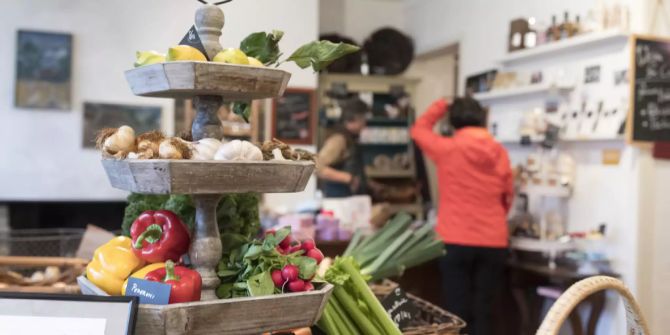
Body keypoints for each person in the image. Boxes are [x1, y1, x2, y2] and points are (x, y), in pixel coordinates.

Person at [410, 97, 513, 335]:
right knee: (485, 309)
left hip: (455, 238)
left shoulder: (447, 148)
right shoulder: (500, 152)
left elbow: (418, 130)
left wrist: (441, 104)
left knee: (457, 310)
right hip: (493, 239)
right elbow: (508, 195)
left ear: (454, 120)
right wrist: (494, 220)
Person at [316, 98, 369, 198]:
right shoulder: (339, 139)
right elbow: (317, 167)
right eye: (363, 118)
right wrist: (348, 178)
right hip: (339, 201)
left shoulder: (351, 139)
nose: (365, 123)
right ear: (354, 118)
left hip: (350, 199)